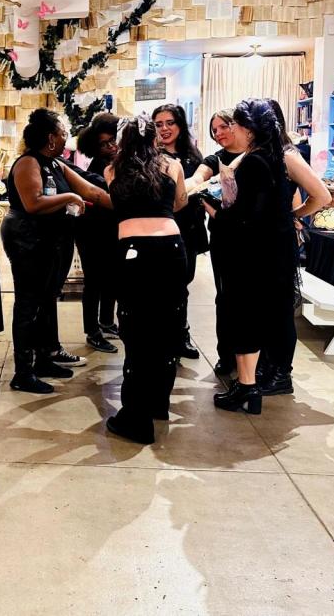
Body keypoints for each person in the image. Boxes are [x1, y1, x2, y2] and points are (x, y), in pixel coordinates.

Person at [1, 108, 113, 394]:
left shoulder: (56, 164)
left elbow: (91, 192)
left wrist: (133, 207)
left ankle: (44, 360)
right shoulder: (28, 163)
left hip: (51, 241)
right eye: (63, 133)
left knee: (47, 300)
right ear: (51, 138)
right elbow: (33, 203)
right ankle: (23, 373)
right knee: (28, 304)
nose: (67, 139)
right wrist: (70, 197)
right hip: (27, 240)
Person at [200, 99, 299, 415]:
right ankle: (248, 386)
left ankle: (246, 387)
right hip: (270, 250)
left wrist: (212, 207)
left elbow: (245, 217)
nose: (228, 131)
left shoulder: (255, 163)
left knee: (244, 318)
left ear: (248, 129)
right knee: (255, 317)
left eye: (233, 126)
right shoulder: (274, 158)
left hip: (251, 253)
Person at [104, 116, 187, 445]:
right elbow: (179, 203)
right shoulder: (172, 165)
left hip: (133, 253)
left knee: (136, 330)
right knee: (168, 326)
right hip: (171, 249)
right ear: (155, 138)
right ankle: (157, 405)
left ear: (121, 141)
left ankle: (136, 418)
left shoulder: (113, 170)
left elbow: (117, 206)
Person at [256, 99, 331, 395]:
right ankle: (267, 364)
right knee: (265, 308)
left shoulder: (287, 154)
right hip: (261, 241)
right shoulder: (262, 154)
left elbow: (321, 196)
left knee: (280, 309)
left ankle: (281, 373)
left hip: (278, 242)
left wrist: (293, 215)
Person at [187, 109, 248, 377]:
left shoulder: (256, 155)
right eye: (215, 130)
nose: (219, 133)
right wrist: (187, 185)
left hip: (253, 236)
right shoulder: (216, 158)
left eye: (224, 126)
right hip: (224, 234)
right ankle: (227, 355)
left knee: (249, 299)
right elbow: (199, 176)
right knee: (224, 296)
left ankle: (254, 360)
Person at [153, 104, 205, 361]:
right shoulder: (148, 156)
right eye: (159, 123)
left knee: (182, 286)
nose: (164, 128)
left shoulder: (194, 158)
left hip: (187, 231)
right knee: (158, 287)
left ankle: (180, 334)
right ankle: (161, 336)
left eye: (169, 122)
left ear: (180, 125)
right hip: (156, 232)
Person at [74, 113, 123, 353]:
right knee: (94, 282)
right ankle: (92, 331)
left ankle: (106, 322)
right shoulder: (98, 169)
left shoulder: (116, 165)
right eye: (104, 143)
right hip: (92, 232)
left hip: (111, 230)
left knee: (112, 278)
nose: (111, 146)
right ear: (95, 145)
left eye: (113, 140)